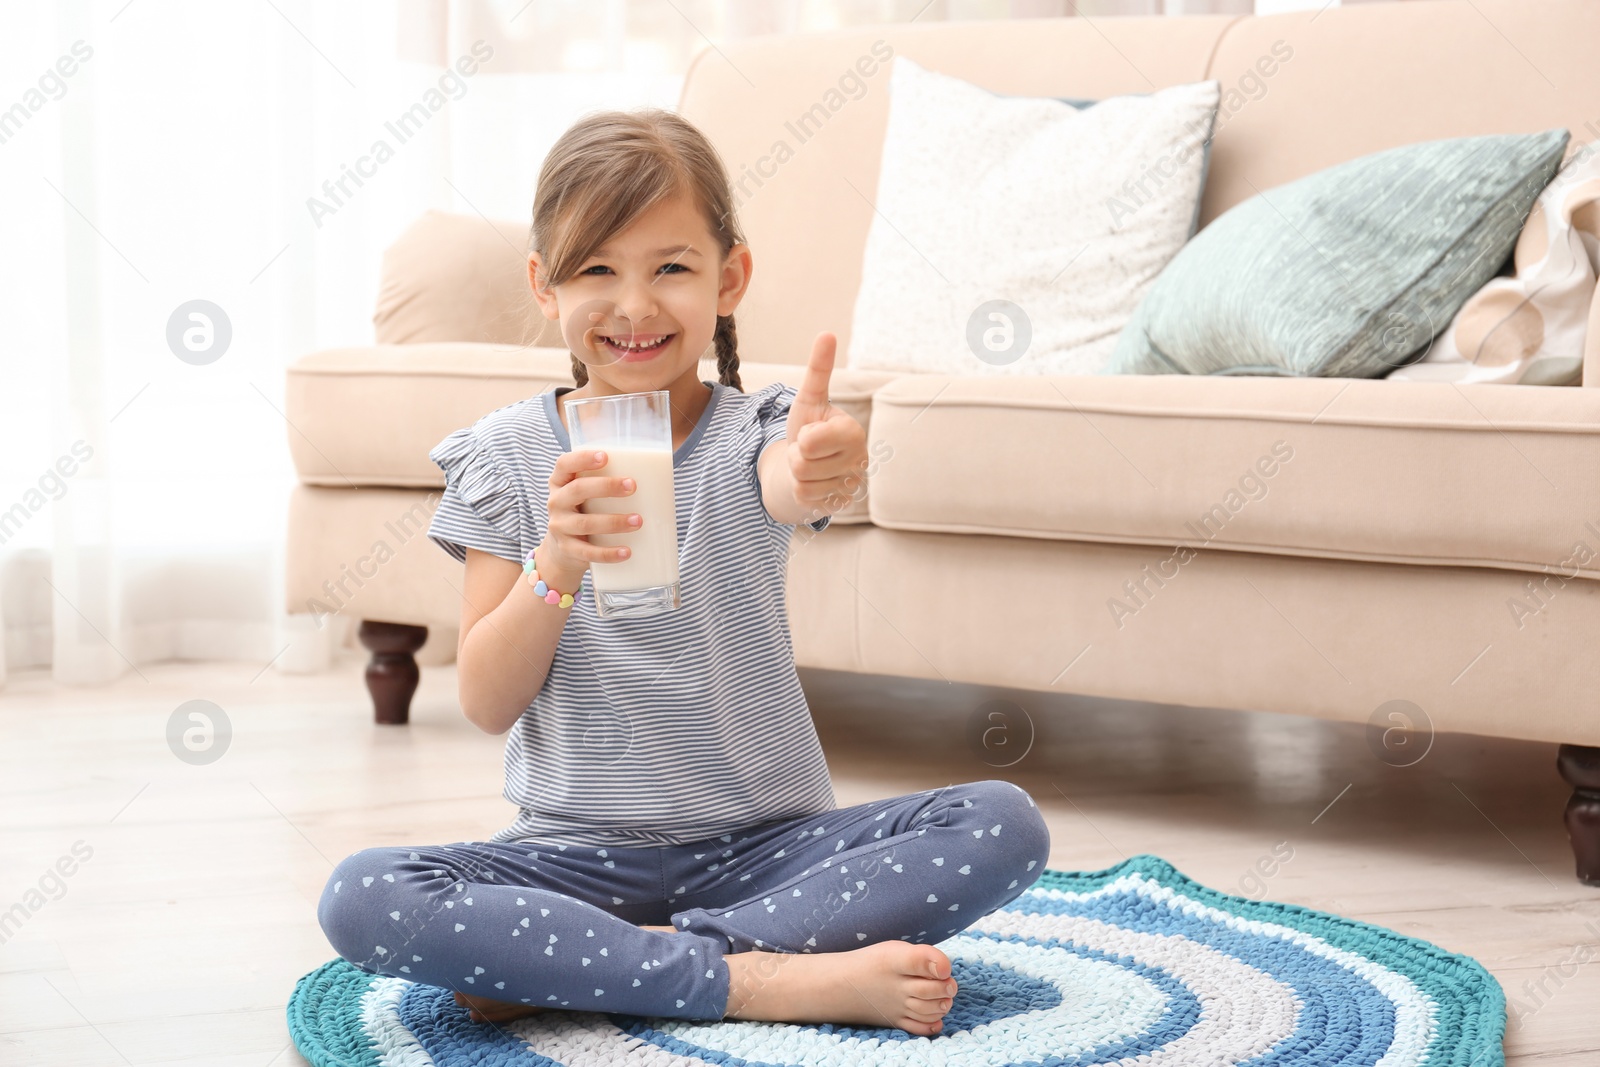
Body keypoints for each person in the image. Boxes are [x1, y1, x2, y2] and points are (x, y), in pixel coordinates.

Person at [316, 107, 1050, 1037]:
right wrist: (556, 565)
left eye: (670, 267)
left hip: (769, 849)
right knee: (364, 894)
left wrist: (817, 461)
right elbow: (488, 702)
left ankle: (605, 967)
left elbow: (790, 482)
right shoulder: (502, 457)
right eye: (597, 270)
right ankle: (764, 979)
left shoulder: (757, 434)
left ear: (728, 278)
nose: (634, 306)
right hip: (573, 858)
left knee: (1004, 822)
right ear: (544, 285)